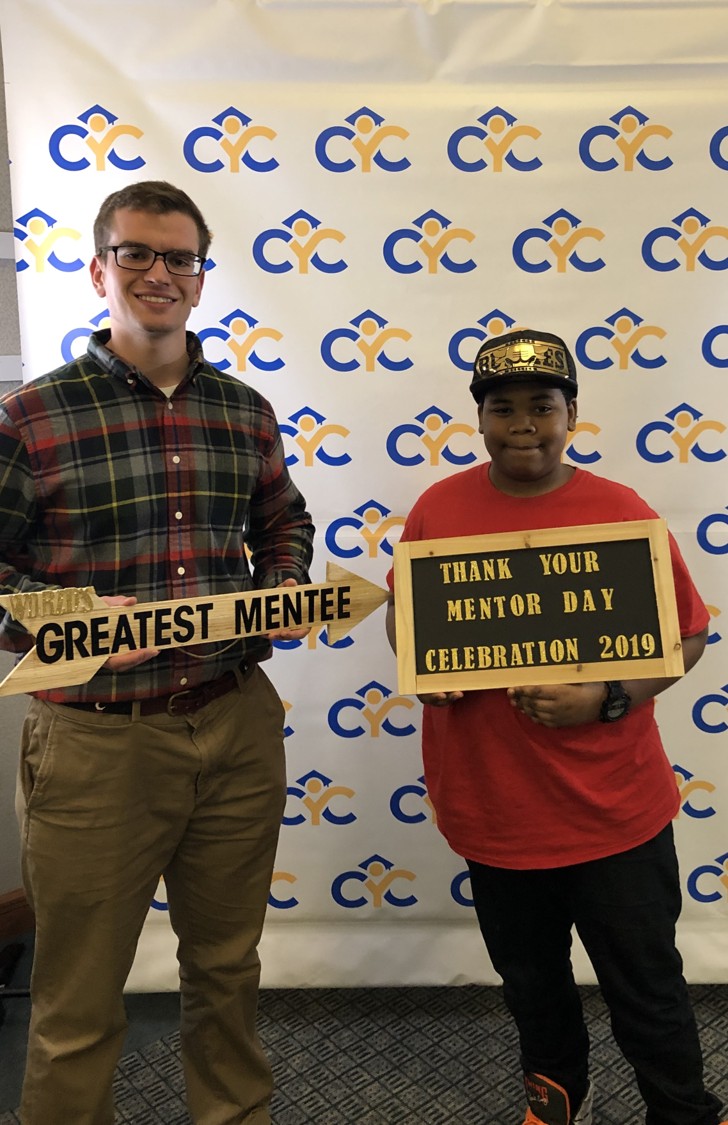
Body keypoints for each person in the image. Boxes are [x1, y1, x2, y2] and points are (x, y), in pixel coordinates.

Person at [0, 180, 315, 1125]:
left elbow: (283, 521)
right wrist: (74, 619)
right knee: (79, 996)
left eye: (179, 258)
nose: (158, 273)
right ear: (99, 269)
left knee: (227, 971)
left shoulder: (244, 411)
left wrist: (285, 584)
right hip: (96, 743)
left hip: (234, 719)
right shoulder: (30, 417)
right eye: (135, 253)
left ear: (201, 279)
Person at [385, 328, 723, 1125]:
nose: (525, 423)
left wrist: (606, 694)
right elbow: (408, 624)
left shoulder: (619, 508)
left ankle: (683, 1108)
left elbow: (692, 633)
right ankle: (558, 1084)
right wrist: (429, 673)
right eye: (504, 408)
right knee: (530, 978)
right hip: (494, 806)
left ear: (573, 412)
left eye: (544, 405)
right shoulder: (439, 507)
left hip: (614, 808)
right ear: (480, 419)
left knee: (647, 979)